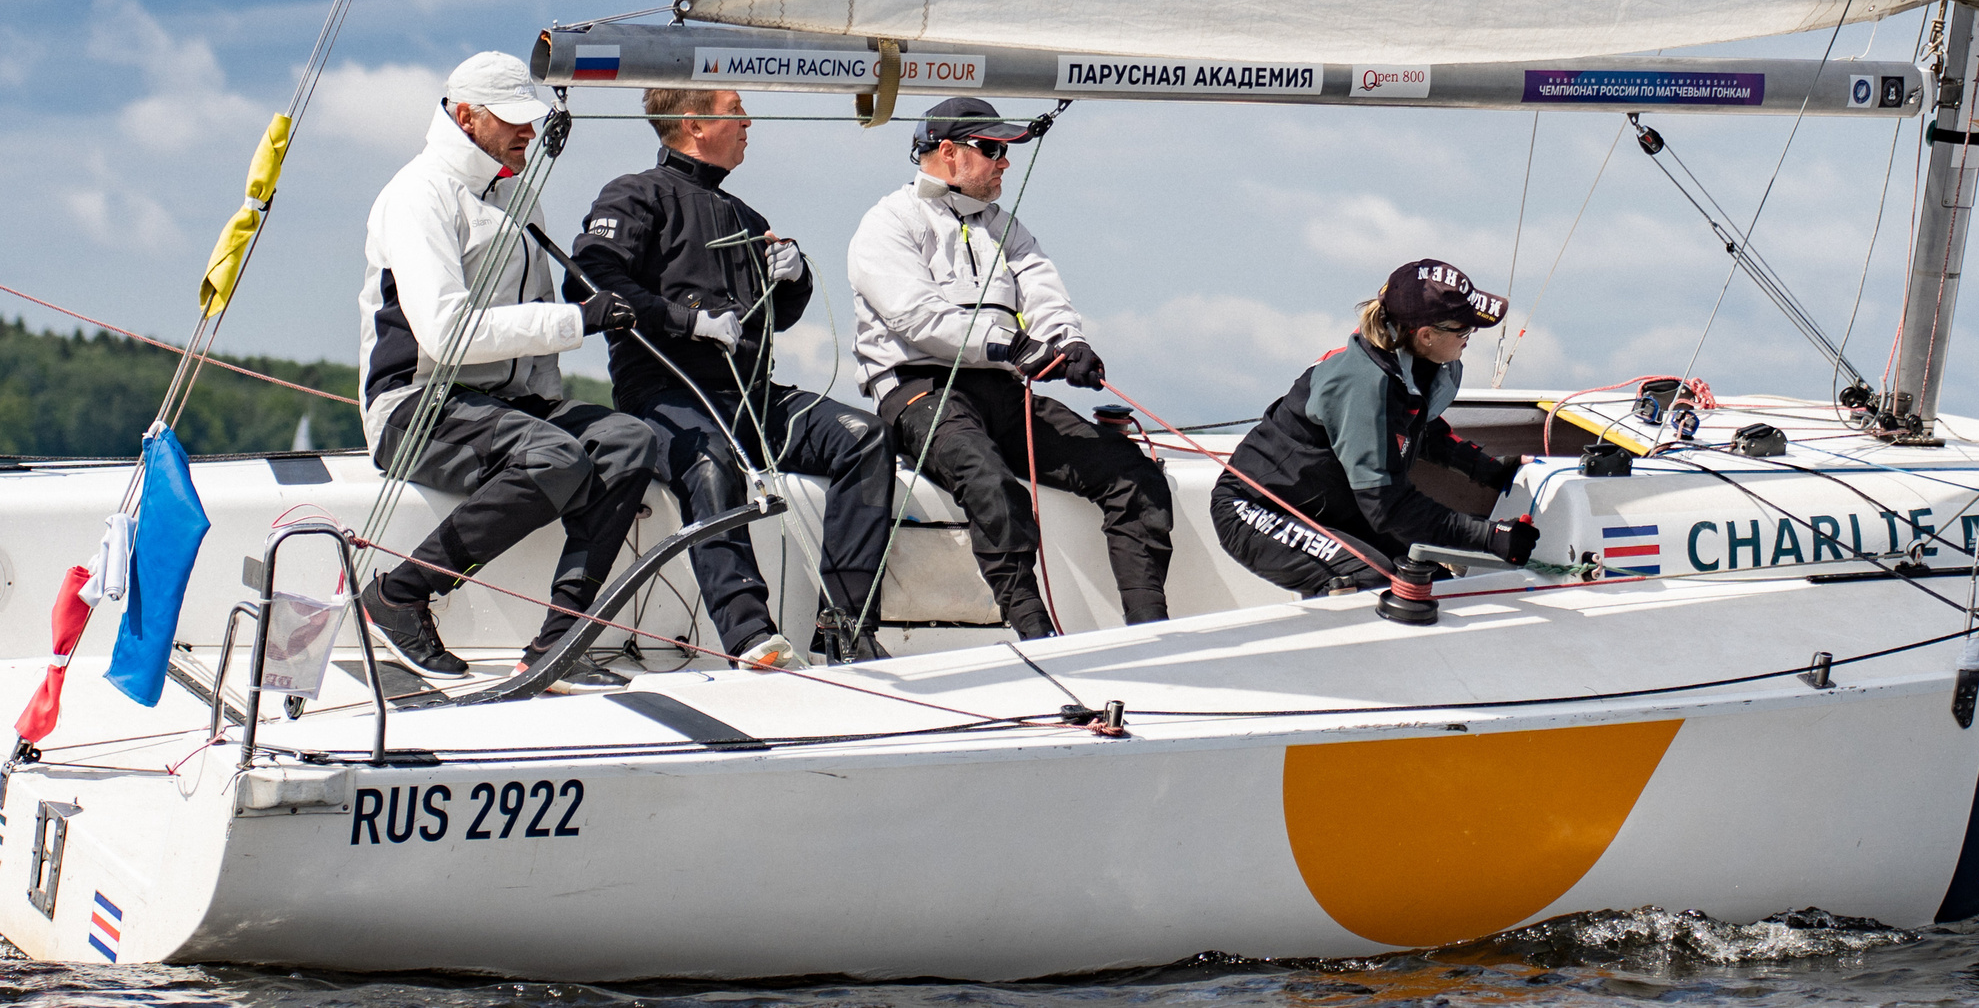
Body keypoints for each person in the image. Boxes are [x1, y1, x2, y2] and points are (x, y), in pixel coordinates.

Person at [355, 52, 653, 692]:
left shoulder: (520, 197)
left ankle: (559, 643)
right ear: (465, 116)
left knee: (629, 442)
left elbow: (536, 323)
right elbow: (446, 333)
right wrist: (578, 322)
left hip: (505, 409)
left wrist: (555, 390)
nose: (529, 132)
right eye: (513, 120)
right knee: (555, 458)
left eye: (531, 118)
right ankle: (399, 595)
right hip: (414, 408)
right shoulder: (417, 196)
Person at [573, 87, 895, 668]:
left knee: (864, 436)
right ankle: (750, 636)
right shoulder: (633, 195)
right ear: (694, 123)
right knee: (709, 459)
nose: (749, 122)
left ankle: (846, 628)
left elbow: (777, 317)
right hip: (668, 395)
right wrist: (686, 321)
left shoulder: (748, 218)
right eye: (736, 111)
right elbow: (591, 279)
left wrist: (791, 280)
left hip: (752, 398)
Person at [848, 97, 1173, 639]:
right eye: (994, 149)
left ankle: (1149, 635)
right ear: (948, 152)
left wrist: (1069, 343)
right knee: (991, 484)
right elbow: (916, 317)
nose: (1004, 163)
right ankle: (1037, 639)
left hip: (1000, 392)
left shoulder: (1008, 227)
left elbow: (1044, 294)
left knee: (1131, 473)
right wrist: (1014, 347)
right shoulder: (888, 222)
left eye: (1007, 151)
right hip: (920, 391)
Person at [1214, 260, 1539, 597]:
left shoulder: (1415, 365)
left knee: (1436, 585)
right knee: (1376, 586)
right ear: (1426, 336)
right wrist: (1487, 536)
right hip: (1256, 508)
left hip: (1329, 509)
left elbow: (1420, 429)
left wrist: (1492, 469)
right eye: (1464, 330)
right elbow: (1388, 508)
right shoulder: (1363, 387)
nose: (1470, 339)